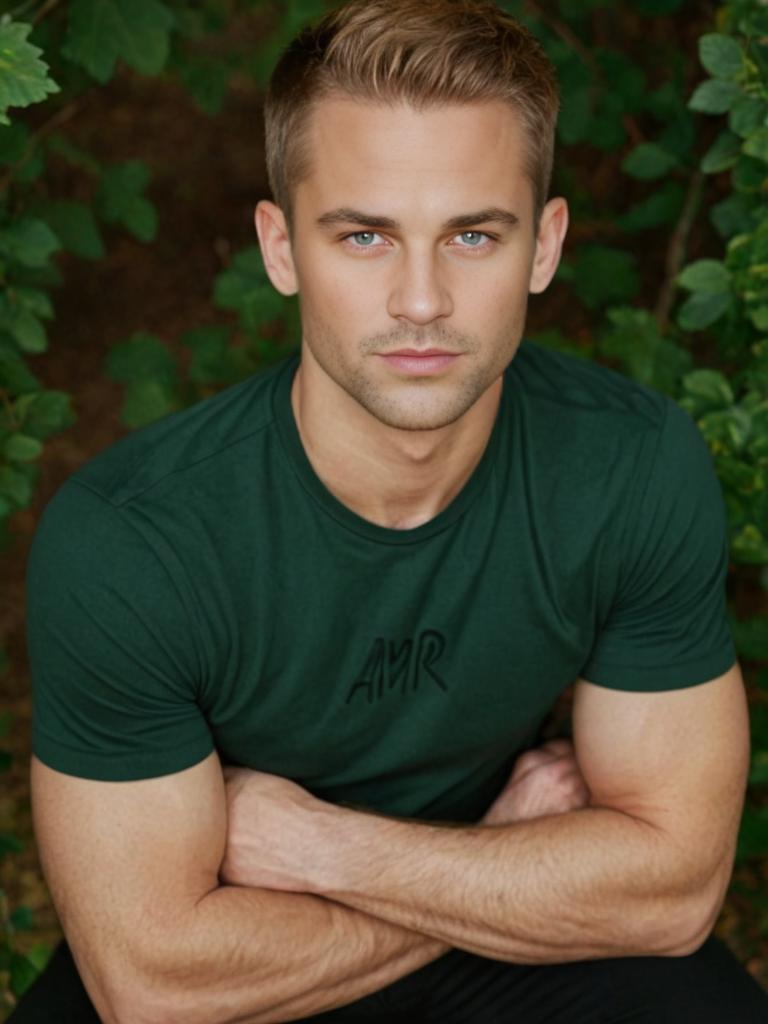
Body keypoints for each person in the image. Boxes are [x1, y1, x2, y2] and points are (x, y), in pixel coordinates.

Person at [11, 0, 768, 1021]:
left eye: (472, 233)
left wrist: (329, 847)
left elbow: (671, 889)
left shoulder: (627, 466)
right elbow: (155, 978)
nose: (421, 299)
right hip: (255, 952)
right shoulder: (134, 540)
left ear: (544, 247)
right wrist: (503, 854)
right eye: (364, 235)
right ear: (281, 250)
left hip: (472, 931)